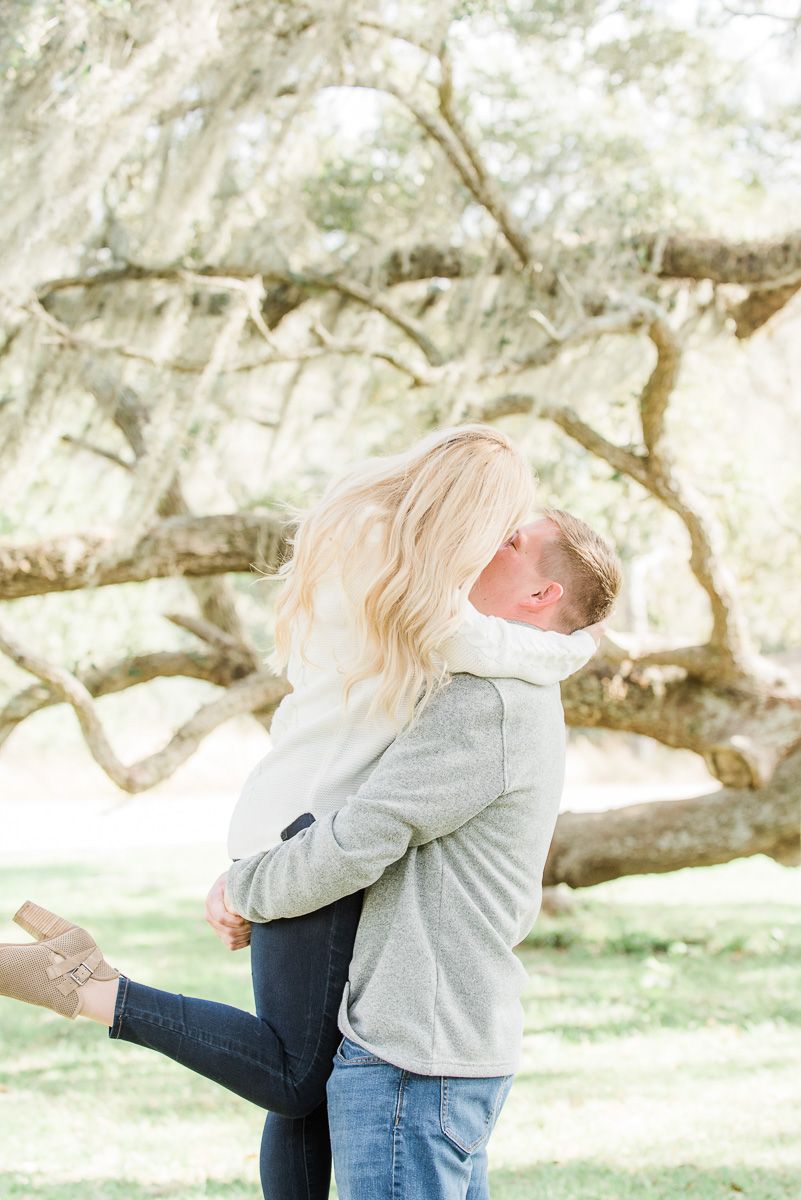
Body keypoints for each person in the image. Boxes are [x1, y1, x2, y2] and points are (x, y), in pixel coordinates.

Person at [0, 425, 617, 1200]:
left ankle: (88, 982)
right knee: (295, 1078)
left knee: (301, 1092)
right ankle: (90, 985)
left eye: (511, 538)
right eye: (499, 523)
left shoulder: (378, 552)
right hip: (307, 835)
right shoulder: (403, 584)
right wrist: (574, 645)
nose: (494, 540)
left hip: (295, 826)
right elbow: (501, 648)